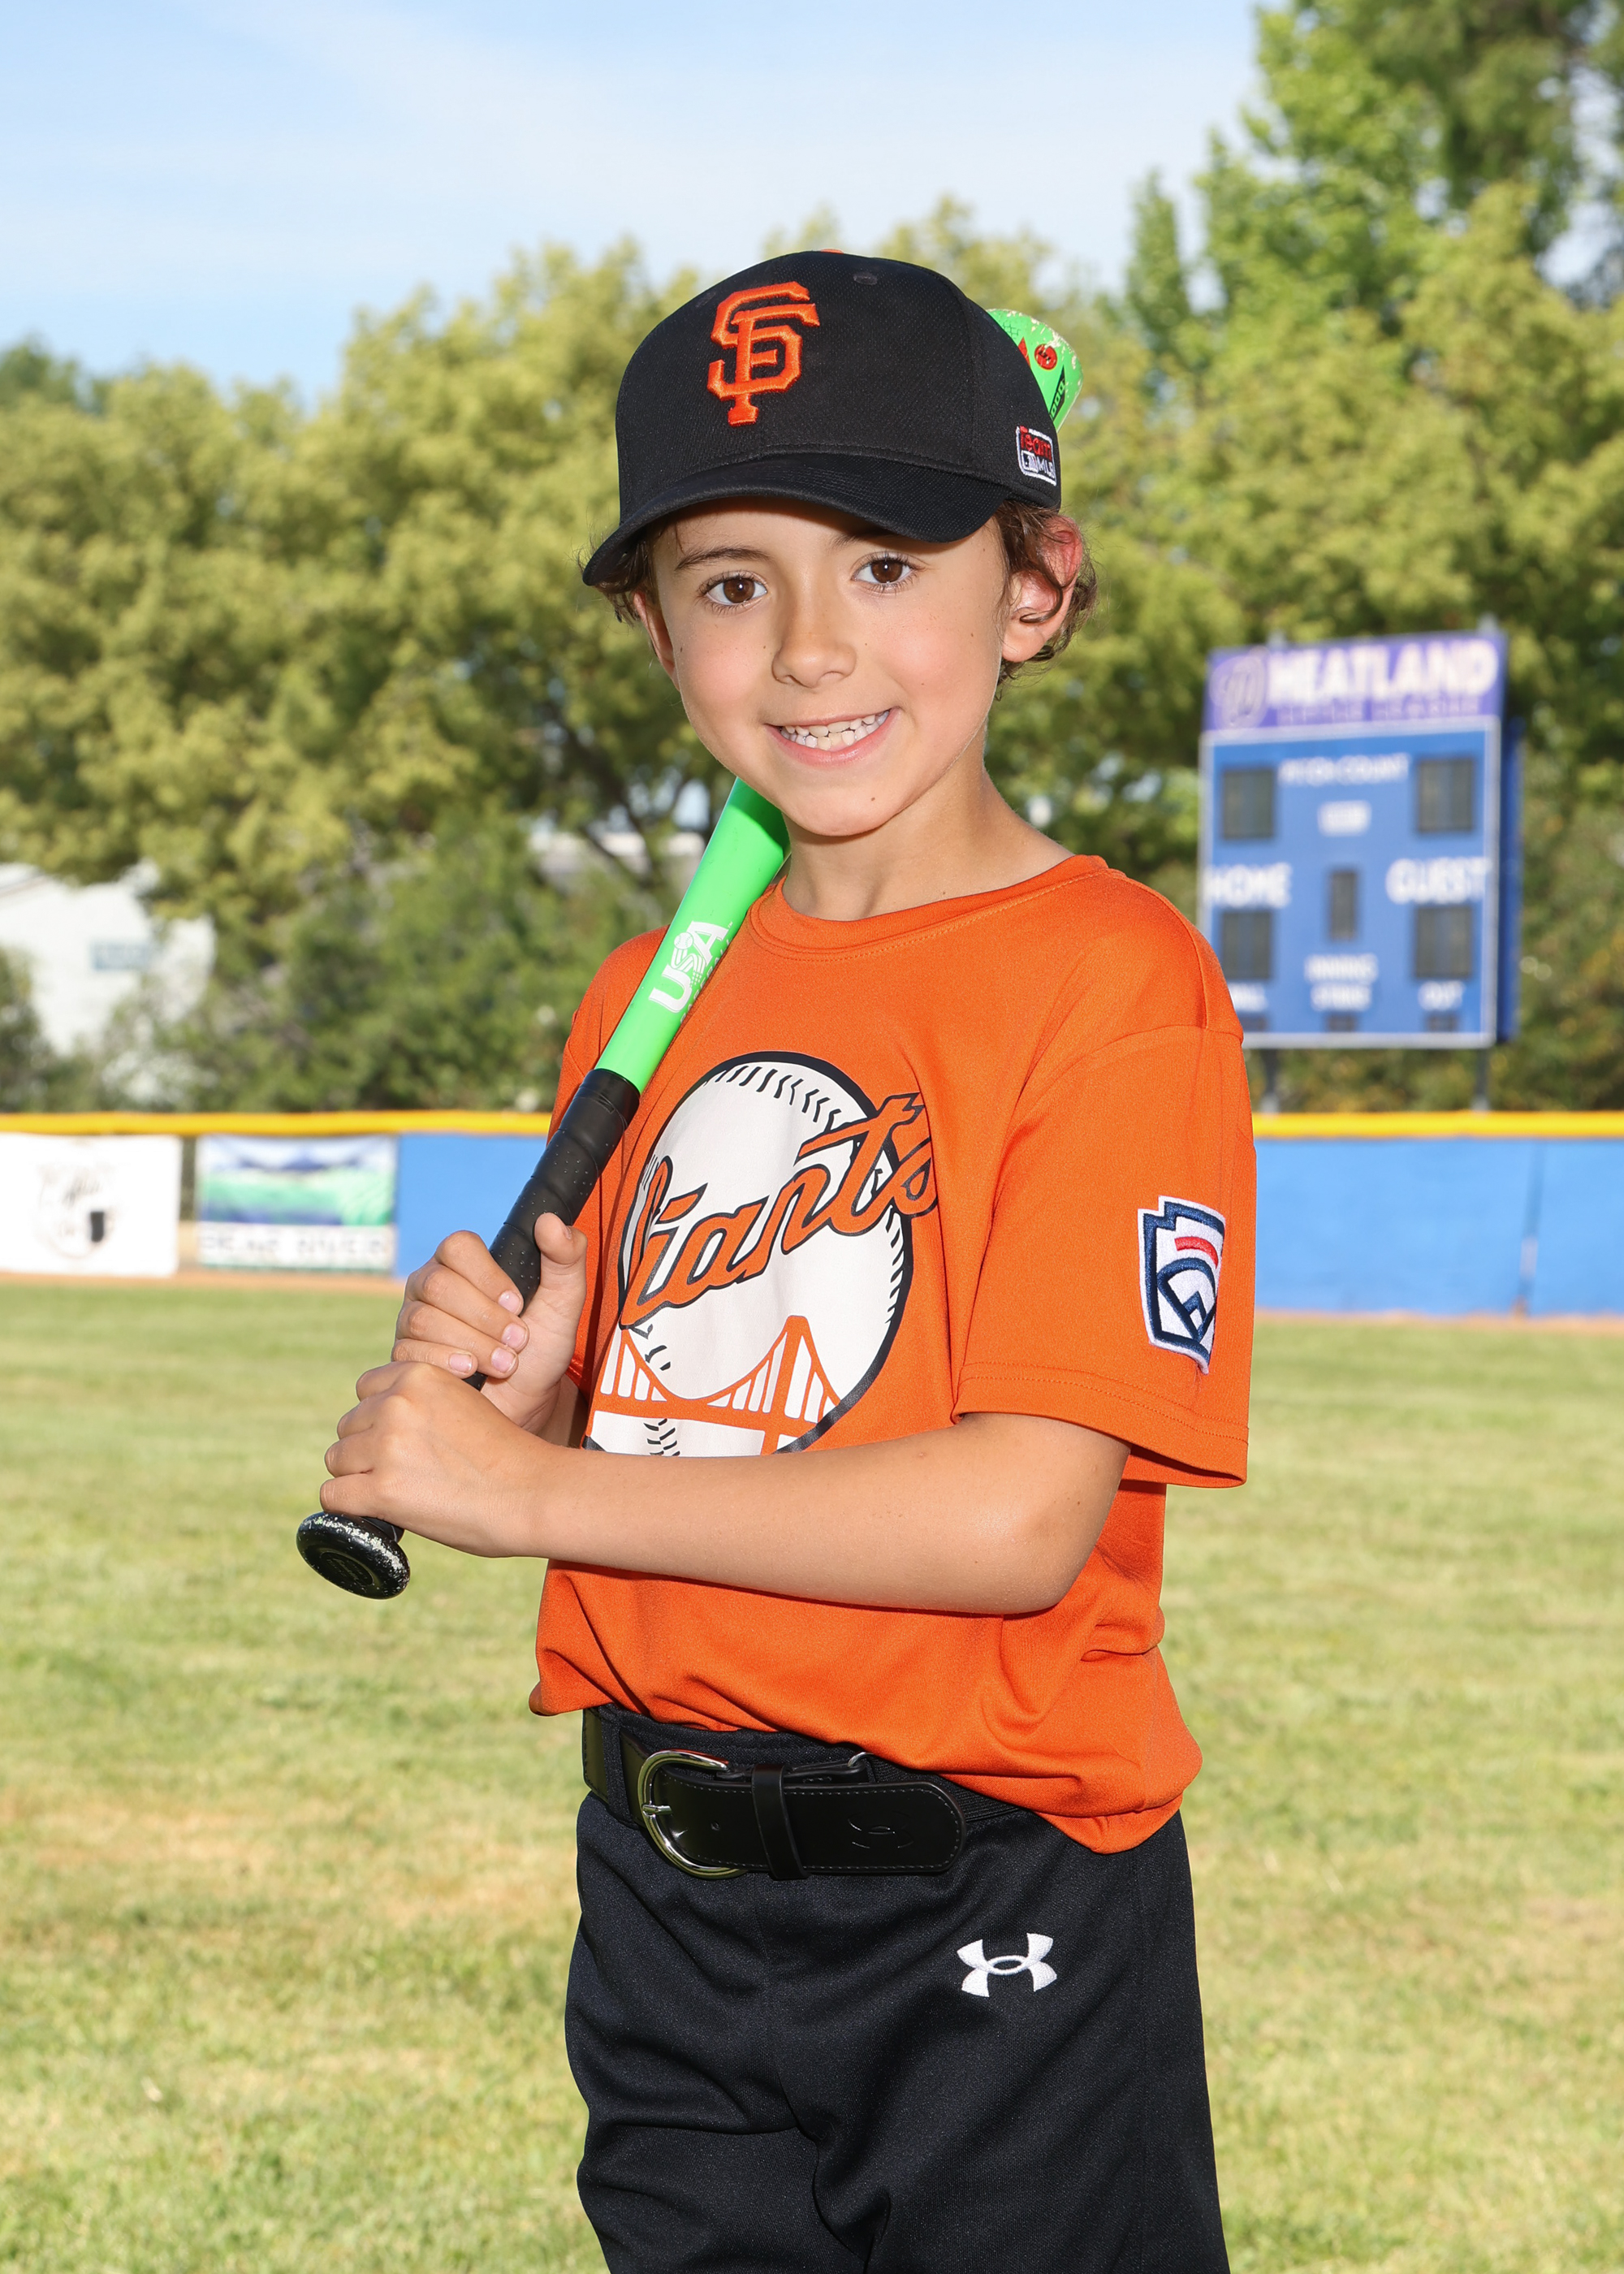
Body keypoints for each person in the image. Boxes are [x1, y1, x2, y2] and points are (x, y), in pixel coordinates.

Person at [320, 251, 1255, 2274]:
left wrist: (529, 1492)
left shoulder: (1113, 979)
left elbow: (1017, 1513)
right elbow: (709, 1429)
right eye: (734, 581)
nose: (813, 646)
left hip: (990, 1895)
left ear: (1034, 586)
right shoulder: (643, 995)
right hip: (664, 1895)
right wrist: (543, 1392)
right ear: (657, 630)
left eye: (888, 563)